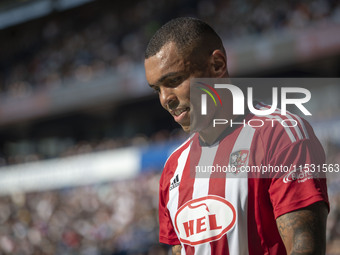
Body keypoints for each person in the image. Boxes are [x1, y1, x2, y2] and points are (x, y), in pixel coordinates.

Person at [144, 17, 329, 255]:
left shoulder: (281, 135)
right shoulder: (173, 169)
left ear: (218, 65)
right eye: (157, 89)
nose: (164, 99)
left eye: (174, 81)